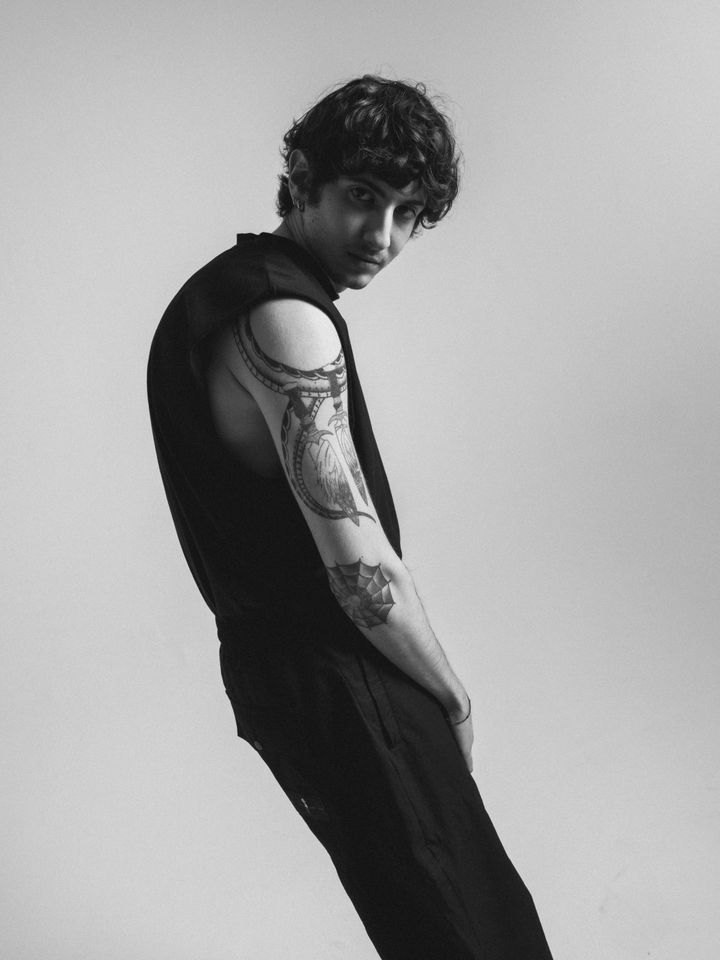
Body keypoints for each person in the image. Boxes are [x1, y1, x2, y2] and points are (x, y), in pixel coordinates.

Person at [147, 75, 554, 960]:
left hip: (290, 677)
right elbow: (358, 567)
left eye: (409, 214)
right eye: (363, 198)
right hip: (346, 676)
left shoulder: (222, 295)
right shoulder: (288, 320)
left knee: (439, 927)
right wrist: (450, 693)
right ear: (301, 178)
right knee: (477, 935)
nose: (383, 237)